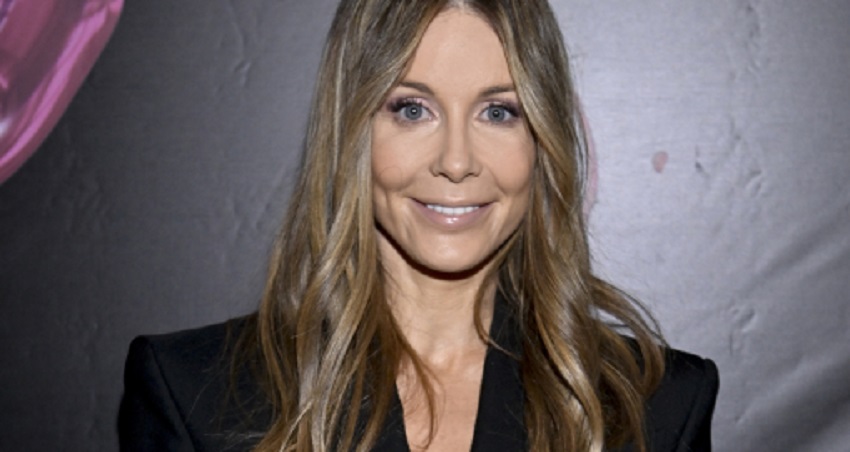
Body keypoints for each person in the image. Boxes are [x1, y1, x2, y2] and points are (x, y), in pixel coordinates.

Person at [119, 0, 719, 451]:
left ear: (543, 140)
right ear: (351, 130)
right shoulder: (195, 395)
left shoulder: (656, 408)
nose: (456, 161)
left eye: (498, 111)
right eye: (412, 109)